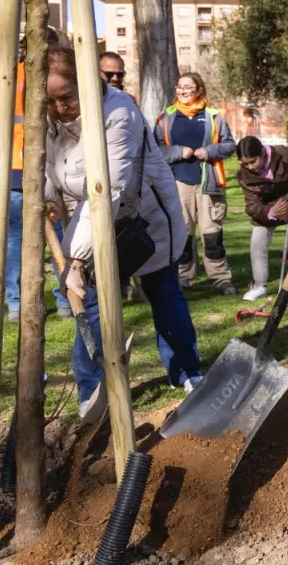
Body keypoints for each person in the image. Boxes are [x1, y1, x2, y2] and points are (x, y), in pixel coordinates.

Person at [42, 48, 203, 419]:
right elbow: (52, 168)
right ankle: (92, 393)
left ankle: (187, 373)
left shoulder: (118, 113)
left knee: (163, 294)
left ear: (85, 84)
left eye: (66, 98)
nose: (59, 107)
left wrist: (76, 259)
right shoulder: (51, 118)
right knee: (91, 307)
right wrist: (47, 200)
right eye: (50, 101)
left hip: (144, 219)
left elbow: (107, 189)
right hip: (88, 222)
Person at [0, 27, 71, 321]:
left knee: (27, 239)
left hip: (33, 171)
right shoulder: (25, 77)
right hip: (41, 171)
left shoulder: (6, 77)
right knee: (56, 237)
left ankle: (28, 302)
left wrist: (3, 157)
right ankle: (58, 299)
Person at [154, 72, 237, 295]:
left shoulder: (214, 116)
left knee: (212, 234)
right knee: (183, 234)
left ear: (199, 90)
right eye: (179, 86)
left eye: (188, 87)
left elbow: (230, 145)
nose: (182, 91)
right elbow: (155, 149)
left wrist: (210, 151)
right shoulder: (166, 117)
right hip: (177, 184)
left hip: (208, 183)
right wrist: (176, 151)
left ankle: (221, 278)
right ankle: (184, 278)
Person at [235, 136, 288, 302]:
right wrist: (271, 212)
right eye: (245, 163)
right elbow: (252, 206)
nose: (250, 167)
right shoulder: (244, 176)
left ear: (262, 153)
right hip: (269, 210)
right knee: (257, 240)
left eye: (252, 161)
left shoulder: (281, 152)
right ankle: (259, 286)